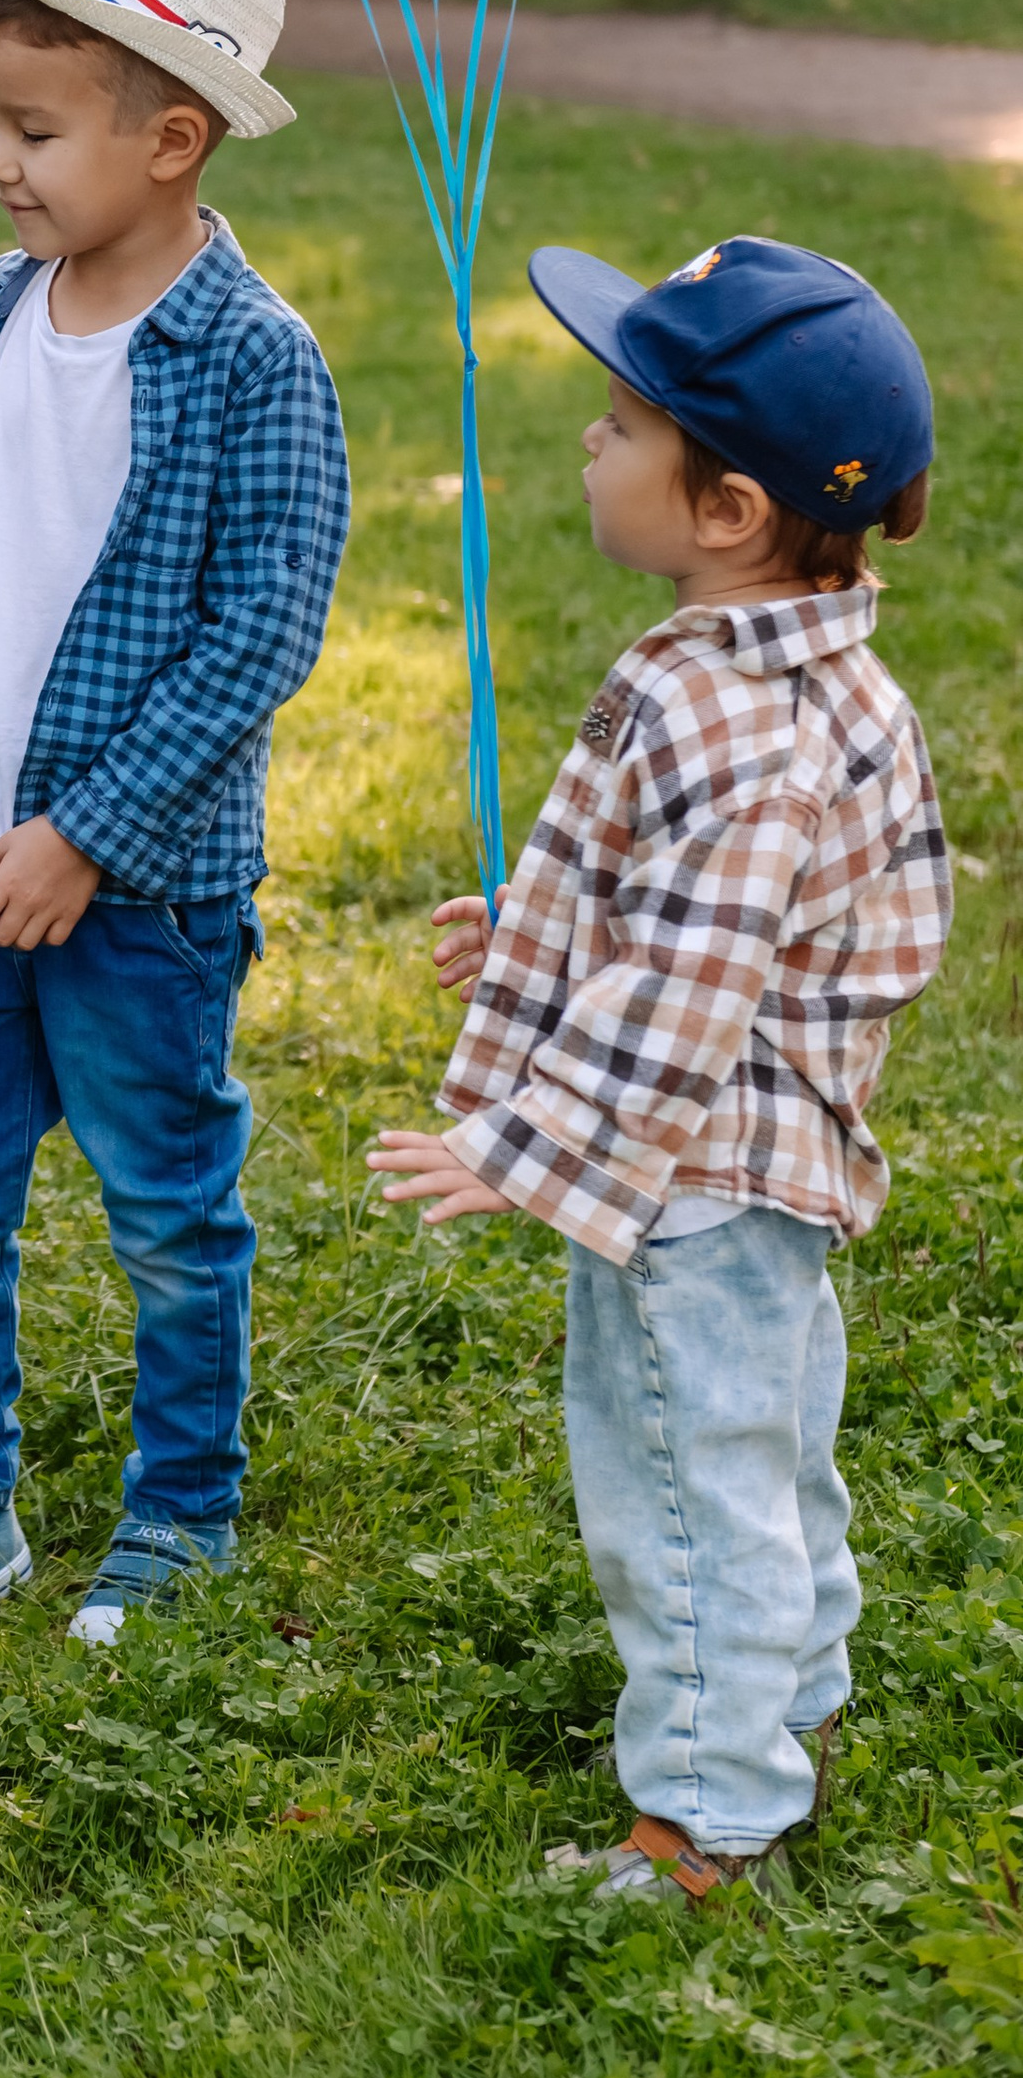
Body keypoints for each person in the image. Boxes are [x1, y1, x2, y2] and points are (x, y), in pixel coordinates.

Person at [370, 237, 947, 1898]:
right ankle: (793, 1705)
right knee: (765, 1456)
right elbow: (706, 914)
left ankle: (712, 1821)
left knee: (684, 1494)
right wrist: (547, 928)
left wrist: (524, 1144)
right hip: (758, 1172)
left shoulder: (728, 716)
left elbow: (698, 985)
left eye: (622, 425)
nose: (588, 444)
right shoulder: (805, 665)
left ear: (728, 512)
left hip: (686, 1190)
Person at [0, 0, 350, 1644]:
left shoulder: (253, 361)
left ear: (174, 137)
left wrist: (92, 833)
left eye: (35, 129)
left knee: (165, 1209)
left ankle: (182, 1512)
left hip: (143, 899)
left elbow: (260, 638)